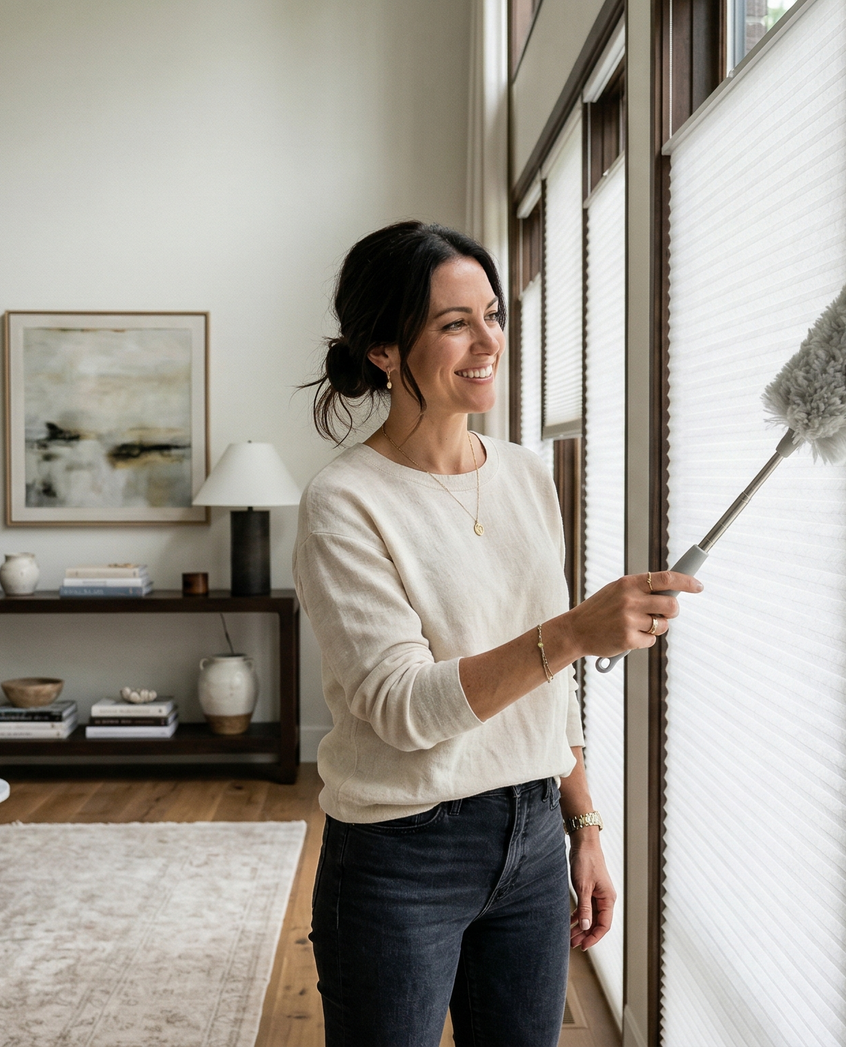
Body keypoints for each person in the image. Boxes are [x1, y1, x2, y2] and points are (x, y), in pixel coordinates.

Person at [293, 221, 701, 1046]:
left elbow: (550, 690)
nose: (489, 342)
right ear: (382, 348)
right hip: (401, 856)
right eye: (454, 323)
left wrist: (581, 823)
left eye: (494, 314)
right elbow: (403, 707)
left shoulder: (524, 473)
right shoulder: (345, 502)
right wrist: (574, 631)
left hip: (533, 836)